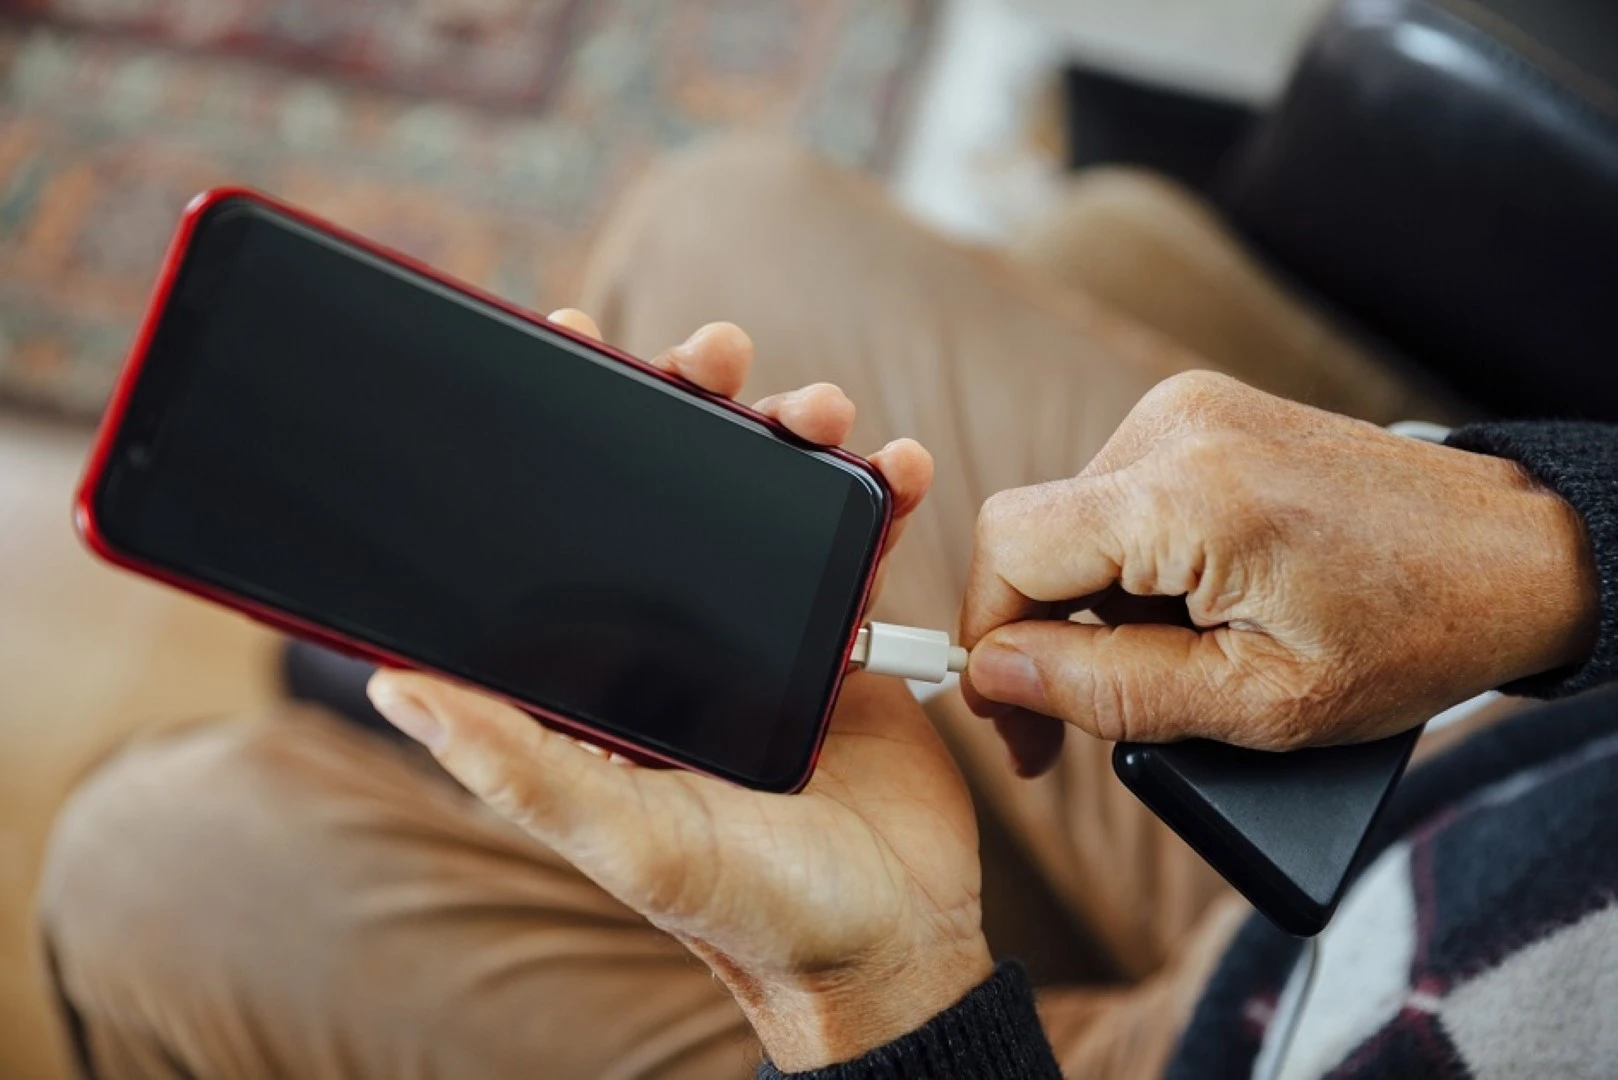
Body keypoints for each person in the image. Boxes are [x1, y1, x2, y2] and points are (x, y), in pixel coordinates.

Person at [39, 140, 1618, 1078]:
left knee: (157, 868)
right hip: (1513, 764)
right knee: (717, 219)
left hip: (1280, 1045)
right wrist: (1543, 552)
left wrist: (878, 994)